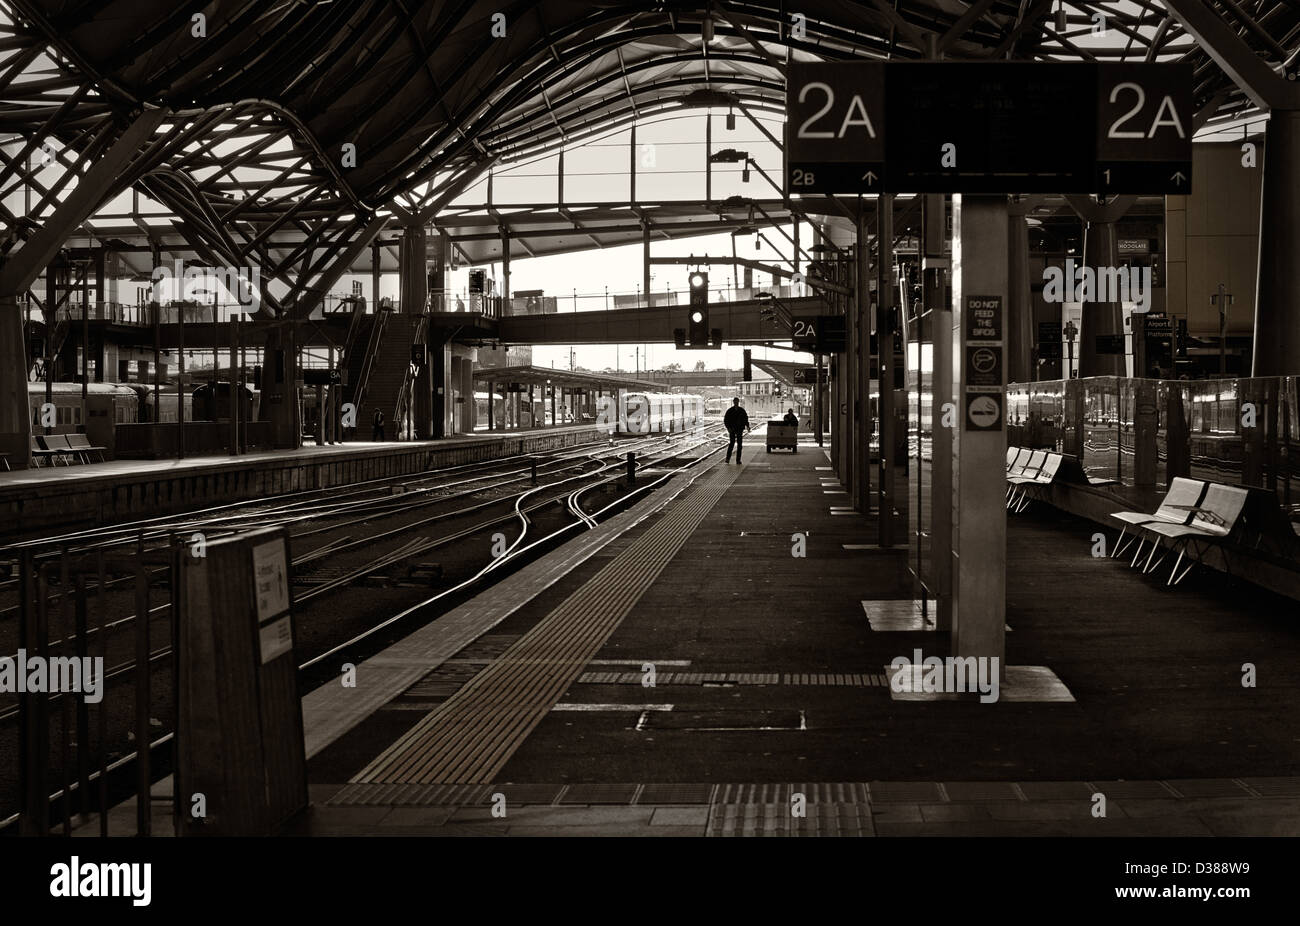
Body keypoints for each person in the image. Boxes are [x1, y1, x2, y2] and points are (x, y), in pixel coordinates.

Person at [723, 397, 750, 464]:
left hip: (739, 429)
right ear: (733, 402)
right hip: (732, 429)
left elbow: (745, 419)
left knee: (739, 445)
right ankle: (728, 459)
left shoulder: (741, 410)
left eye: (737, 402)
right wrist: (728, 428)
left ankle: (738, 460)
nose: (736, 403)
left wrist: (748, 426)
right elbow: (726, 420)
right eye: (735, 402)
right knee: (732, 444)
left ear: (738, 402)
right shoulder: (731, 411)